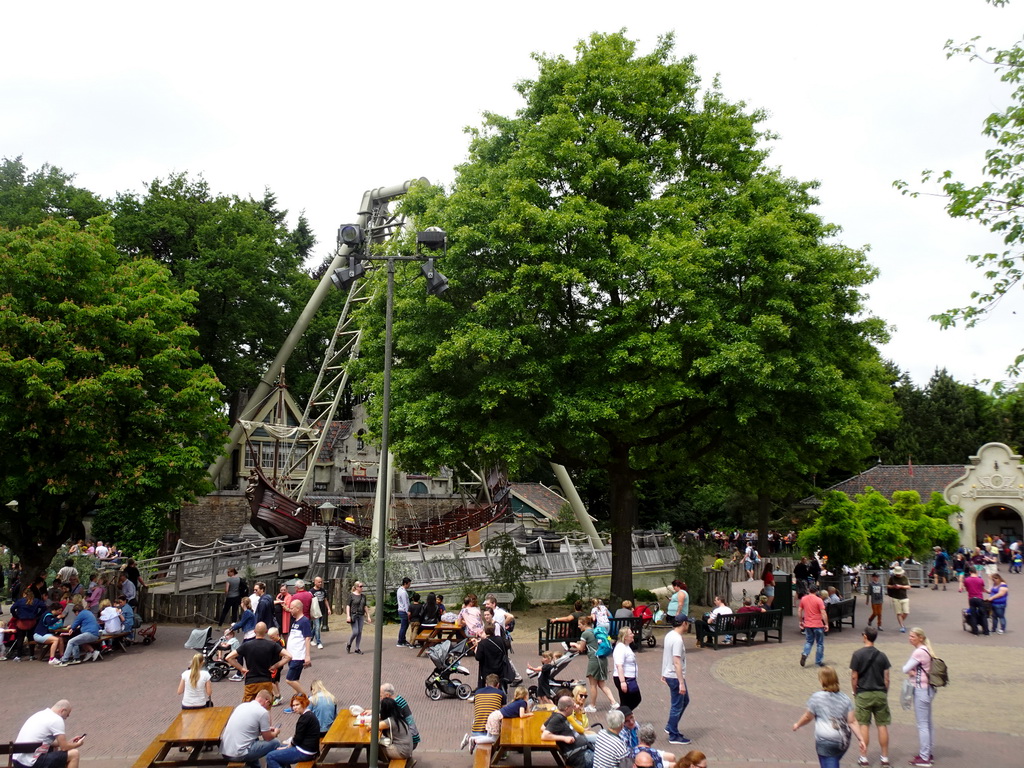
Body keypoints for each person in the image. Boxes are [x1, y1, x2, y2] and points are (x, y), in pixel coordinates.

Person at [792, 665, 864, 768]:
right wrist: (861, 739)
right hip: (842, 741)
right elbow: (852, 721)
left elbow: (808, 717)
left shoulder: (817, 697)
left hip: (825, 739)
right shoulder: (845, 699)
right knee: (831, 760)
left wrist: (798, 724)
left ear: (822, 680)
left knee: (829, 761)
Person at [849, 626, 891, 768]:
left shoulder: (857, 655)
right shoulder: (882, 655)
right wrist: (885, 692)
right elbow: (887, 678)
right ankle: (884, 758)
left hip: (864, 693)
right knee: (882, 725)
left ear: (866, 637)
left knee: (864, 725)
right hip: (880, 693)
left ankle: (864, 757)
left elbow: (854, 676)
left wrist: (855, 691)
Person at [227, 622, 291, 703]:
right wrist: (275, 666)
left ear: (254, 631)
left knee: (248, 706)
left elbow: (228, 657)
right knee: (265, 708)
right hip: (266, 680)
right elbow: (288, 656)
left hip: (251, 681)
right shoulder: (272, 645)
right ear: (266, 632)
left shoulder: (246, 645)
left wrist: (241, 668)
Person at [13, 699, 86, 768]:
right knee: (74, 754)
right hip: (30, 763)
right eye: (67, 714)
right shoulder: (57, 719)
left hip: (17, 760)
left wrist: (69, 743)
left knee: (56, 751)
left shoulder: (40, 714)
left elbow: (46, 741)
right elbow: (64, 748)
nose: (67, 717)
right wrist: (77, 744)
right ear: (63, 710)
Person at [902, 628, 937, 767]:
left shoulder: (918, 652)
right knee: (928, 723)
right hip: (929, 689)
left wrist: (911, 671)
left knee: (922, 724)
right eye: (910, 636)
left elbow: (905, 668)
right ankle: (928, 752)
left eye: (913, 636)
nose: (910, 638)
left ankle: (924, 757)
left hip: (921, 689)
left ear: (920, 638)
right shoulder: (927, 649)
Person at [220, 689, 282, 767]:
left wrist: (266, 730)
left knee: (254, 740)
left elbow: (248, 729)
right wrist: (276, 732)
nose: (268, 708)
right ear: (267, 701)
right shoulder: (262, 712)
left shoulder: (242, 706)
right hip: (239, 754)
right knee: (275, 743)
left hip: (225, 752)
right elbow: (268, 738)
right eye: (269, 705)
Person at [266, 694, 319, 768]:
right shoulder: (310, 715)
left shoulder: (304, 719)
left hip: (305, 751)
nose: (295, 708)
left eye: (297, 705)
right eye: (293, 705)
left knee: (270, 756)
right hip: (310, 749)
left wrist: (287, 747)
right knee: (278, 749)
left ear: (304, 704)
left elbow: (297, 740)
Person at [576, 615, 617, 711]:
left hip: (594, 660)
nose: (578, 627)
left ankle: (592, 706)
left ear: (585, 624)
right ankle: (614, 702)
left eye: (579, 625)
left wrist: (574, 645)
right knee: (602, 684)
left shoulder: (585, 634)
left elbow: (581, 648)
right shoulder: (597, 631)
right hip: (602, 659)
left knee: (593, 684)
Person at [661, 614, 690, 746]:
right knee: (677, 704)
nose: (688, 625)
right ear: (684, 623)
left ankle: (670, 725)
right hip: (675, 676)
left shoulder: (669, 635)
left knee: (684, 700)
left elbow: (666, 655)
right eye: (688, 622)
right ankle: (673, 734)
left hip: (670, 674)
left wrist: (663, 672)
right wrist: (681, 683)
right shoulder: (677, 640)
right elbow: (676, 661)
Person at [541, 695, 593, 768]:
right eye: (572, 707)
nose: (573, 710)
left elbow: (543, 727)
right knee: (607, 761)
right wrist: (564, 738)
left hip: (583, 750)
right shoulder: (557, 718)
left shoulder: (557, 714)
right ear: (566, 708)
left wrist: (554, 731)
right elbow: (544, 735)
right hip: (579, 757)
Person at [461, 673, 506, 752]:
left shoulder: (477, 693)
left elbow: (477, 708)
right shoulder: (501, 694)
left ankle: (471, 739)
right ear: (498, 685)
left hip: (476, 731)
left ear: (486, 684)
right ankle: (502, 753)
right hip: (490, 732)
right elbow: (503, 712)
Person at [283, 599, 313, 706]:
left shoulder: (304, 621)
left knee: (289, 680)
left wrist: (307, 656)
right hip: (292, 656)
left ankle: (307, 698)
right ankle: (296, 704)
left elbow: (307, 638)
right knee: (295, 680)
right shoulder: (295, 621)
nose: (290, 610)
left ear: (298, 608)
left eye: (291, 608)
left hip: (298, 656)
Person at [381, 682, 420, 750]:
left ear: (387, 695)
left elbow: (388, 720)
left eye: (381, 696)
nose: (380, 698)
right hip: (410, 738)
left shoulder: (395, 704)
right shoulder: (398, 699)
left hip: (410, 740)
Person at [377, 697, 414, 767]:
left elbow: (373, 727)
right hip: (407, 748)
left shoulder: (390, 721)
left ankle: (372, 765)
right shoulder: (399, 717)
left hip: (401, 751)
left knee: (373, 749)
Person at [475, 619, 511, 690]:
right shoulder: (500, 640)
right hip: (500, 668)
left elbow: (478, 657)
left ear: (485, 631)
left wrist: (476, 649)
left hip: (487, 670)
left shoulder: (482, 643)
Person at [613, 626, 642, 711]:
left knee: (626, 701)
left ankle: (623, 717)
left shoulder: (626, 646)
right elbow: (619, 665)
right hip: (624, 678)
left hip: (629, 678)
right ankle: (620, 716)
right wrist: (622, 682)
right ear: (625, 637)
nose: (633, 635)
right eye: (631, 634)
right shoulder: (620, 647)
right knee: (635, 699)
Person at [798, 587, 828, 668]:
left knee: (809, 641)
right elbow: (823, 613)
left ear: (808, 590)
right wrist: (826, 624)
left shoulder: (803, 599)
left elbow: (799, 610)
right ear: (817, 591)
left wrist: (800, 621)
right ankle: (818, 661)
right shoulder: (819, 600)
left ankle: (805, 653)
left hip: (808, 624)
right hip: (818, 624)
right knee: (820, 644)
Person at [345, 581, 370, 654]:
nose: (362, 588)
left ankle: (357, 648)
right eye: (360, 586)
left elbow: (365, 606)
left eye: (362, 586)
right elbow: (348, 606)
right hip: (354, 615)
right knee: (355, 631)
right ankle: (349, 643)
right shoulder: (351, 595)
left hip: (361, 615)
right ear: (356, 587)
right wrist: (348, 616)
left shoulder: (363, 596)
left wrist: (368, 616)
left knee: (359, 632)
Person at [962, 567, 988, 635]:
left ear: (970, 572)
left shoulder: (966, 580)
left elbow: (967, 589)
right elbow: (982, 589)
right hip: (979, 598)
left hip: (971, 598)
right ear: (976, 572)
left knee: (973, 615)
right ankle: (986, 631)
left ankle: (975, 631)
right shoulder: (980, 580)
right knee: (983, 615)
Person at [887, 566, 911, 633]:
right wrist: (893, 586)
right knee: (899, 613)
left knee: (906, 612)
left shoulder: (904, 578)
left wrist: (901, 586)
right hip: (896, 597)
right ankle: (902, 626)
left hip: (904, 597)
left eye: (899, 573)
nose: (898, 575)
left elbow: (909, 587)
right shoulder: (892, 578)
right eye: (897, 573)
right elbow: (888, 585)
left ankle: (901, 622)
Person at [310, 576, 330, 649]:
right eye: (319, 582)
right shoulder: (311, 591)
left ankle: (310, 637)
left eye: (321, 582)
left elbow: (325, 600)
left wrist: (328, 609)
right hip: (315, 612)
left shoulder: (323, 590)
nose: (320, 583)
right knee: (318, 627)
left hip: (321, 611)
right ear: (315, 582)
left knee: (316, 627)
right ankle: (319, 642)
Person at [396, 576, 412, 647]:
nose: (409, 585)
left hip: (401, 610)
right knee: (404, 626)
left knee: (404, 626)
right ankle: (400, 641)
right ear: (405, 584)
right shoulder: (403, 592)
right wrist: (408, 612)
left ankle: (402, 639)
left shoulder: (400, 589)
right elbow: (405, 603)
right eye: (409, 584)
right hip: (403, 611)